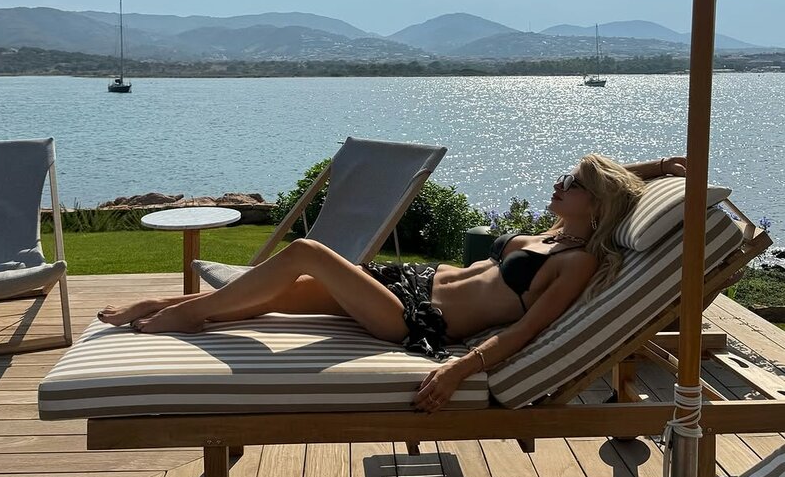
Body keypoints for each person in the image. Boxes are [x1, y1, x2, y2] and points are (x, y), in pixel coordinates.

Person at [98, 153, 687, 412]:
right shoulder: (557, 233)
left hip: (416, 320)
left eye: (573, 184)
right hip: (408, 281)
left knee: (305, 252)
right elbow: (607, 183)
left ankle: (188, 313)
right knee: (274, 297)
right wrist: (658, 167)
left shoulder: (576, 263)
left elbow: (525, 332)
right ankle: (173, 303)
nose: (559, 185)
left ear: (596, 204)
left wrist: (458, 369)